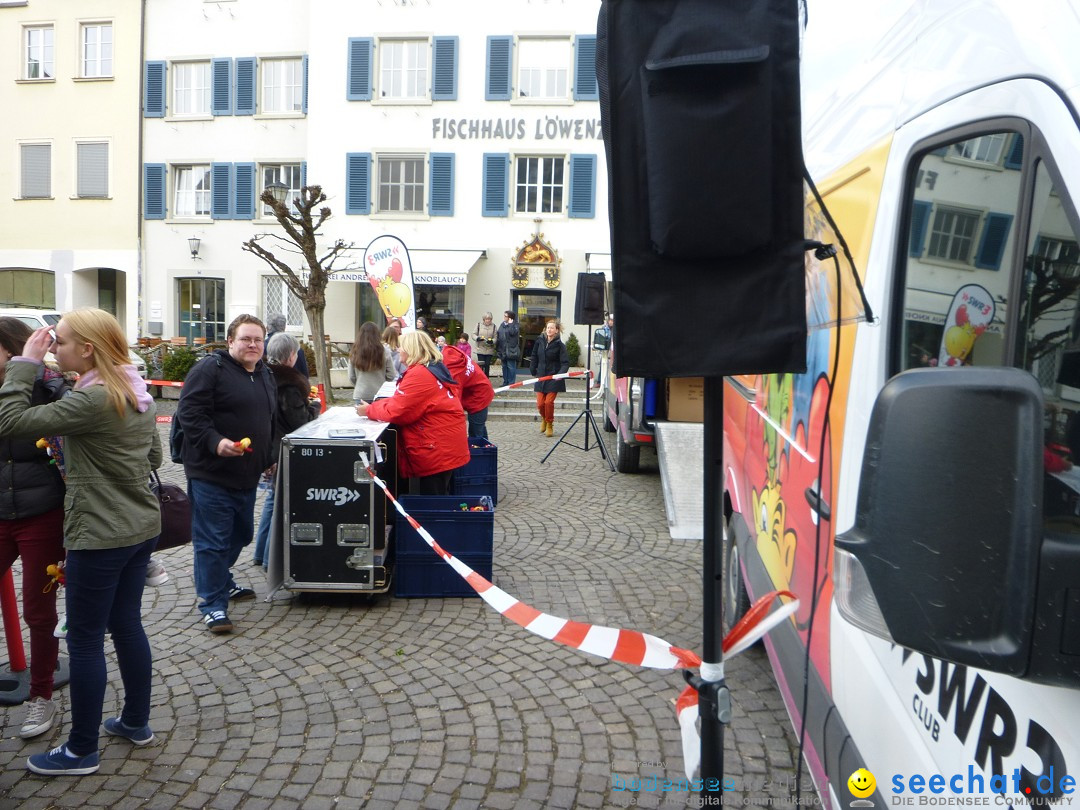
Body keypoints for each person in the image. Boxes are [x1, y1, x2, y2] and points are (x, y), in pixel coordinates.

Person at [0, 309, 161, 776]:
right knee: (127, 626)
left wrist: (23, 366)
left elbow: (10, 421)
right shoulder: (134, 390)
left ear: (88, 349)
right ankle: (135, 722)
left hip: (100, 532)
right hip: (139, 528)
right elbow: (155, 453)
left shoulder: (91, 400)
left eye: (63, 342)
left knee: (87, 641)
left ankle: (80, 750)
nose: (54, 348)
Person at [176, 314, 275, 634]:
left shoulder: (264, 374)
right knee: (213, 541)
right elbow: (190, 415)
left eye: (258, 339)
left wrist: (269, 457)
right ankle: (212, 604)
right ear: (230, 341)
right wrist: (215, 442)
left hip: (248, 475)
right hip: (211, 473)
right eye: (246, 339)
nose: (253, 344)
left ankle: (220, 579)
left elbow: (267, 422)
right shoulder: (210, 370)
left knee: (241, 535)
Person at [0, 318, 69, 740]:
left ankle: (41, 696)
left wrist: (40, 373)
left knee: (38, 613)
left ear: (11, 350)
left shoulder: (46, 386)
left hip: (42, 514)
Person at [357, 331, 469, 495]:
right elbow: (402, 401)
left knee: (432, 502)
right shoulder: (429, 369)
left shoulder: (419, 374)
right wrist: (376, 405)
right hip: (443, 444)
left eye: (402, 346)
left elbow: (398, 410)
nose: (399, 349)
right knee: (437, 496)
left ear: (411, 350)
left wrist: (369, 410)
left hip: (436, 448)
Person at [252, 332, 320, 569]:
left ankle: (261, 553)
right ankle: (271, 561)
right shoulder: (289, 384)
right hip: (282, 450)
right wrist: (315, 408)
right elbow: (299, 421)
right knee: (281, 503)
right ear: (292, 355)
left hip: (267, 446)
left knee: (272, 500)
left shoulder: (262, 375)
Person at [442, 344, 495, 440]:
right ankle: (487, 450)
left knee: (475, 433)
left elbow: (454, 401)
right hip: (481, 390)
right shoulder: (450, 352)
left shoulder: (454, 371)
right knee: (480, 428)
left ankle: (481, 453)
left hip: (479, 398)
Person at [530, 319, 570, 437]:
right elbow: (534, 356)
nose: (549, 330)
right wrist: (533, 369)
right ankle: (544, 418)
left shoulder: (560, 345)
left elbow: (565, 363)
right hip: (541, 376)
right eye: (548, 327)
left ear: (556, 330)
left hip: (554, 377)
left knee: (548, 402)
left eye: (552, 328)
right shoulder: (539, 341)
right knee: (540, 404)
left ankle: (549, 424)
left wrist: (560, 374)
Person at [349, 321, 396, 404]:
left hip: (360, 394)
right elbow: (391, 375)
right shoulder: (385, 351)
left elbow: (351, 377)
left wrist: (360, 383)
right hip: (380, 394)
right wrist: (382, 380)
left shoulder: (354, 351)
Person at [266, 314, 308, 379]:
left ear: (267, 328)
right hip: (294, 385)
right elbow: (304, 375)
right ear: (284, 327)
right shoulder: (296, 347)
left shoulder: (260, 347)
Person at [496, 310, 520, 386]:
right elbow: (499, 335)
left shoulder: (515, 325)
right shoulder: (502, 325)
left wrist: (510, 324)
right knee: (504, 366)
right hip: (502, 348)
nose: (504, 317)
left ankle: (511, 382)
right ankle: (505, 381)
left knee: (511, 366)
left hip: (511, 349)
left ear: (510, 317)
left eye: (506, 316)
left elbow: (513, 333)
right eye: (504, 316)